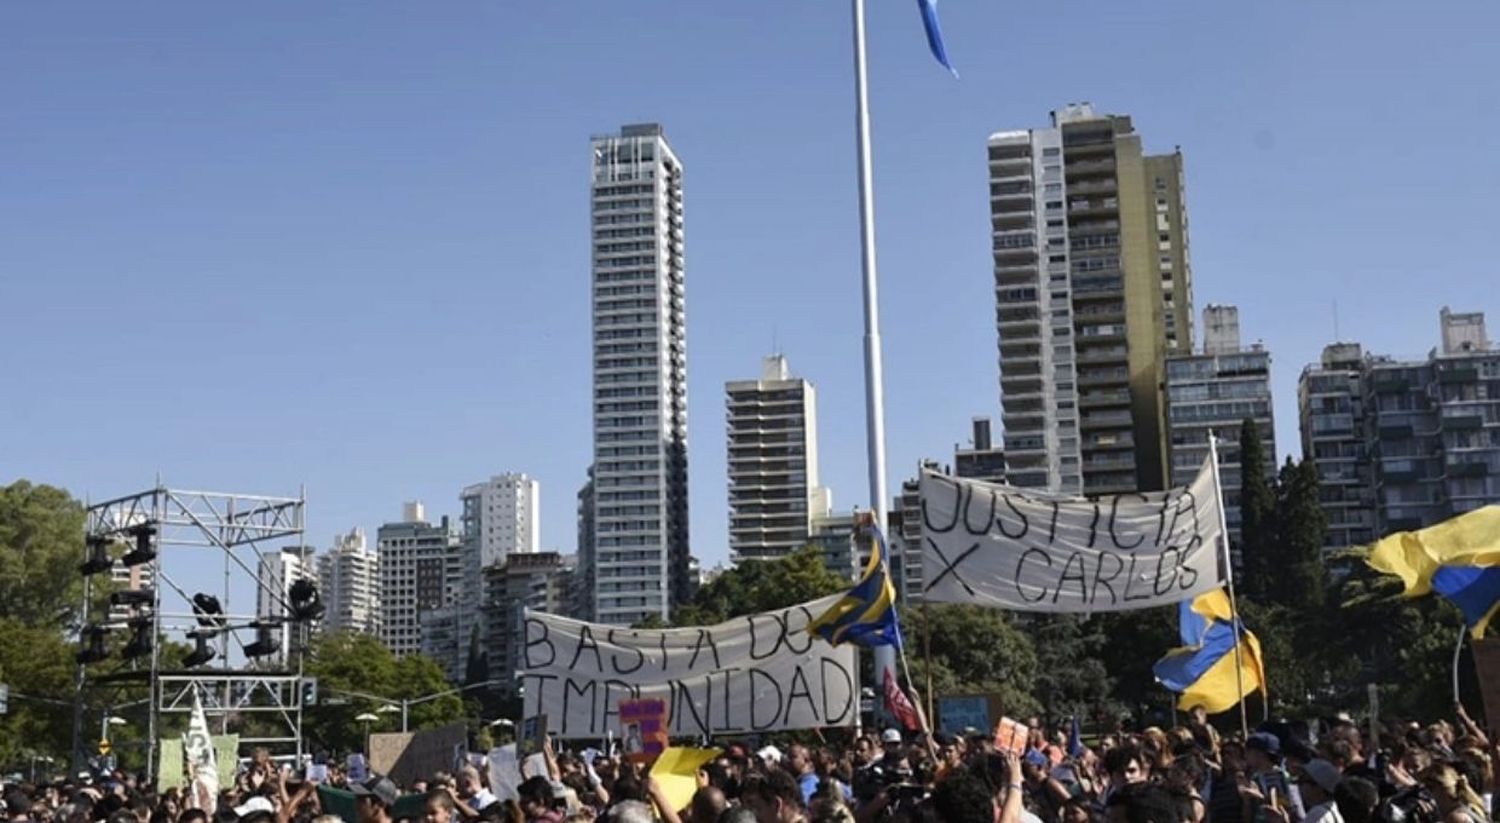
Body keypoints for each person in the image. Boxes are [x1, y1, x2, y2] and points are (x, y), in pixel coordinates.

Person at [1419, 763, 1487, 823]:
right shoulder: (1468, 806)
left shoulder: (1456, 818)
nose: (1425, 793)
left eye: (1430, 788)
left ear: (1444, 789)